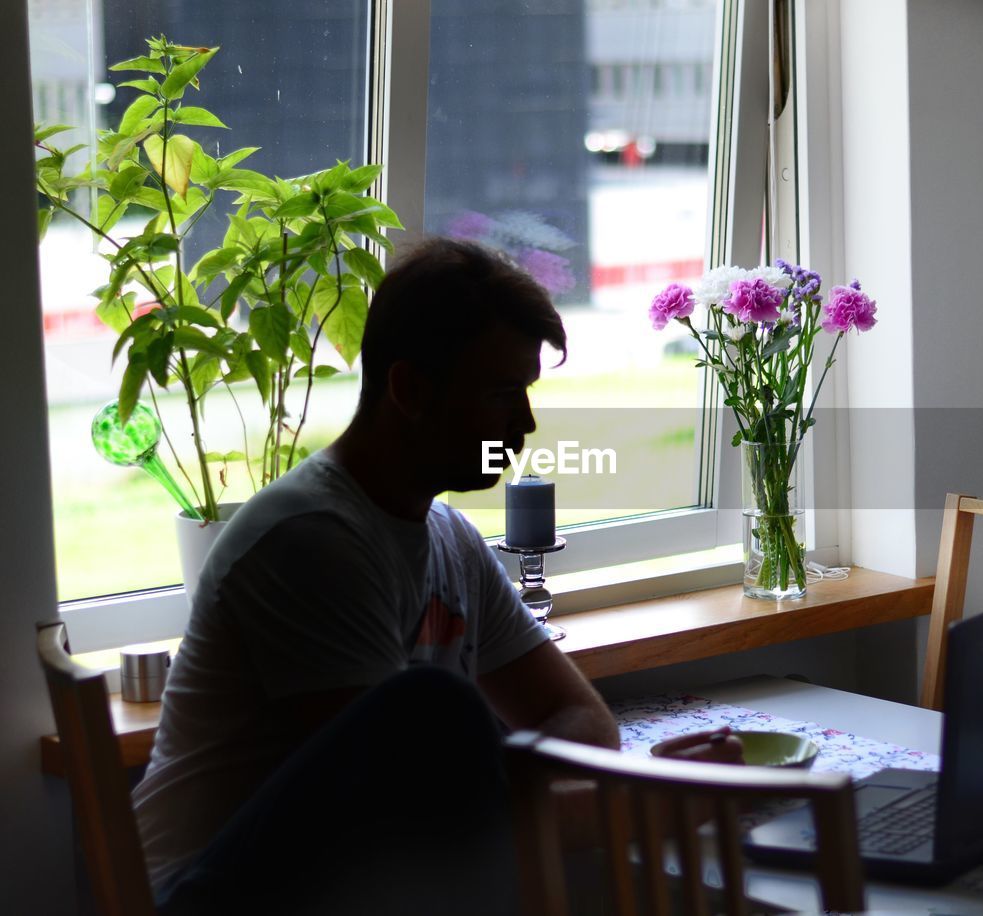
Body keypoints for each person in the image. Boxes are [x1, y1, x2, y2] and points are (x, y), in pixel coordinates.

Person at [133, 237, 737, 915]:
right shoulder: (310, 543)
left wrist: (494, 779)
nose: (526, 424)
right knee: (435, 710)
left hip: (341, 887)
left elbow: (584, 723)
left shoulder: (450, 537)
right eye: (504, 394)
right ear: (410, 390)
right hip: (205, 899)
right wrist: (643, 802)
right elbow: (403, 826)